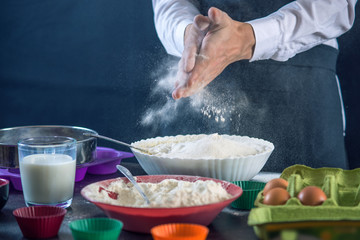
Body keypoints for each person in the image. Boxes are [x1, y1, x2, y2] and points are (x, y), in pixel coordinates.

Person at [151, 0, 357, 172]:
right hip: (199, 75)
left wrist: (249, 37)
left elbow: (335, 5)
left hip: (302, 89)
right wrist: (188, 33)